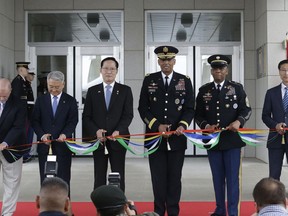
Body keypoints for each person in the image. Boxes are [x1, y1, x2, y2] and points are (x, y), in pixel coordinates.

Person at [138, 45, 195, 216]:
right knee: (158, 179)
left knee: (174, 179)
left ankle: (173, 212)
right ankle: (158, 211)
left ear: (174, 61)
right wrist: (156, 126)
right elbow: (143, 108)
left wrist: (182, 125)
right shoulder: (149, 80)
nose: (166, 63)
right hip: (155, 139)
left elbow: (190, 108)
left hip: (177, 140)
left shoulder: (184, 80)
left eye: (169, 59)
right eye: (163, 60)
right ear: (158, 61)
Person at [194, 54, 252, 216]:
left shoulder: (237, 88)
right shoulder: (204, 90)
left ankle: (232, 212)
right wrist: (206, 126)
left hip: (232, 141)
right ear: (211, 71)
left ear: (227, 71)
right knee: (217, 179)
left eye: (222, 68)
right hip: (213, 141)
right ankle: (220, 210)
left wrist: (239, 122)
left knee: (232, 179)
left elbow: (246, 110)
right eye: (215, 68)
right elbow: (197, 115)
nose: (218, 71)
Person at [82, 57, 133, 191]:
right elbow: (86, 116)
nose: (108, 72)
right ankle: (100, 205)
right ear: (100, 70)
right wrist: (96, 131)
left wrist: (119, 131)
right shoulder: (92, 91)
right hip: (99, 141)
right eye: (106, 68)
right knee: (99, 175)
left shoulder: (125, 90)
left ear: (116, 71)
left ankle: (119, 204)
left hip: (118, 139)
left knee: (118, 174)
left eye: (112, 69)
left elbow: (128, 115)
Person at [32, 71, 78, 191]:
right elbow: (35, 121)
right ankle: (47, 207)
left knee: (63, 178)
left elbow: (73, 121)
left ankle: (65, 208)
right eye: (51, 87)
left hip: (63, 146)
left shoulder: (70, 101)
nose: (53, 90)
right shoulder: (41, 100)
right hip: (45, 146)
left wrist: (65, 134)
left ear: (63, 84)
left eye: (57, 87)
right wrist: (42, 135)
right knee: (46, 178)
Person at [0, 78, 26, 216]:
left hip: (12, 148)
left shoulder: (19, 104)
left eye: (5, 95)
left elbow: (18, 127)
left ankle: (7, 213)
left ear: (11, 90)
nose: (2, 98)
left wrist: (5, 143)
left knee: (11, 182)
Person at [262, 59, 288, 180]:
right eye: (283, 70)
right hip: (275, 138)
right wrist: (275, 125)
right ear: (279, 72)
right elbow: (265, 115)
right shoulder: (271, 93)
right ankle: (274, 196)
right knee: (274, 173)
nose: (286, 73)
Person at [24, 69, 36, 162]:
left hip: (30, 114)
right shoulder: (24, 85)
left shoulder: (28, 85)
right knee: (26, 135)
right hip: (26, 115)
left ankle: (27, 153)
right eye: (31, 74)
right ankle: (25, 154)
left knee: (29, 135)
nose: (33, 77)